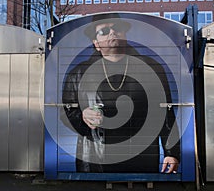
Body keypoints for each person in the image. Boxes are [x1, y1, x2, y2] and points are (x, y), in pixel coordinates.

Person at [61, 13, 180, 173]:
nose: (112, 33)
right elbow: (66, 111)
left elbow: (165, 111)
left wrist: (171, 152)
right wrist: (82, 116)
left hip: (141, 156)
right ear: (95, 43)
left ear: (125, 34)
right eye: (104, 31)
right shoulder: (79, 73)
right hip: (95, 158)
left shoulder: (152, 68)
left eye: (117, 28)